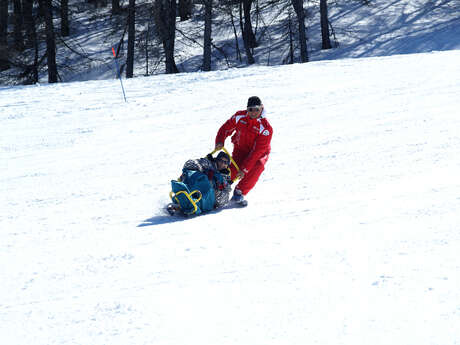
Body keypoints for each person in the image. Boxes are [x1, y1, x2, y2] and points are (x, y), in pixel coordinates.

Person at [215, 96, 273, 205]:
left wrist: (245, 169)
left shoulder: (265, 128)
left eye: (256, 109)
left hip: (259, 154)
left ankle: (239, 192)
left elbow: (257, 152)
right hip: (240, 149)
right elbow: (225, 128)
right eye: (250, 109)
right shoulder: (239, 116)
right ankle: (216, 189)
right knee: (232, 171)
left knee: (257, 167)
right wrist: (220, 141)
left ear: (261, 108)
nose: (253, 112)